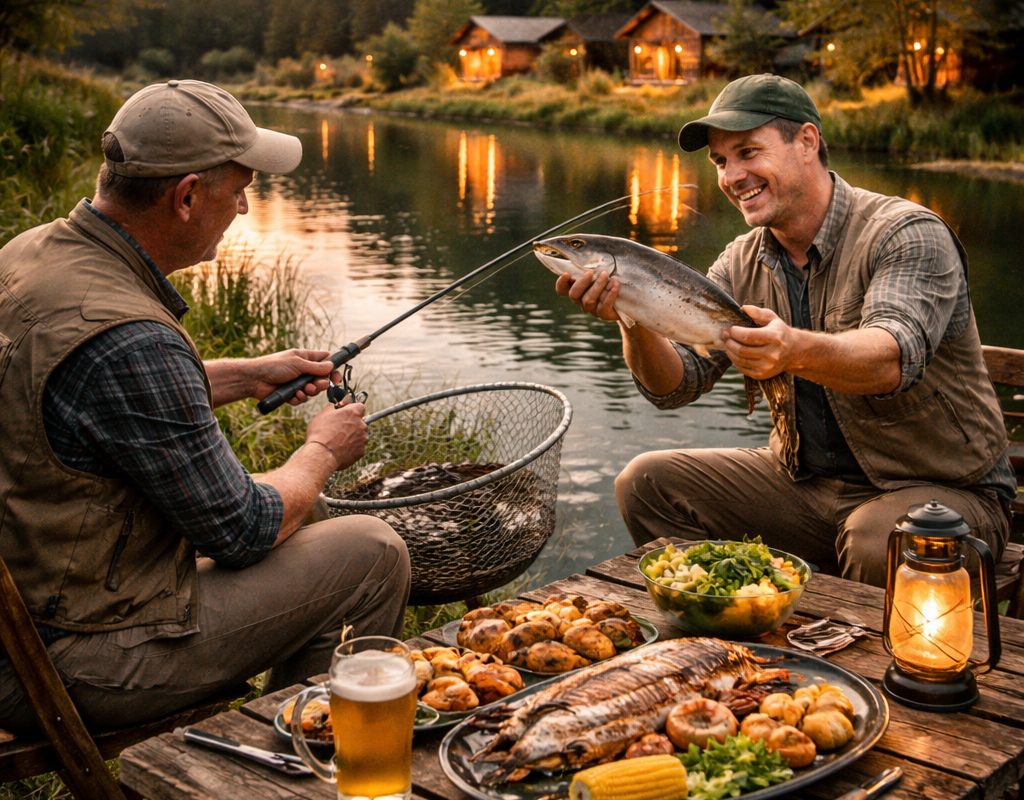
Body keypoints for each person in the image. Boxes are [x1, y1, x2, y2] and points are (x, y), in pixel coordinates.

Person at [0, 80, 410, 734]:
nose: (244, 207)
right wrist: (322, 450)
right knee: (372, 552)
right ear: (187, 196)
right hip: (61, 660)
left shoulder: (32, 253)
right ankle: (291, 760)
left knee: (309, 511)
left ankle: (281, 734)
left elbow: (90, 395)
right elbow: (242, 531)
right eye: (239, 189)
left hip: (32, 605)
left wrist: (250, 374)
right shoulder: (133, 341)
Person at [556, 74, 1013, 587]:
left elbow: (891, 358)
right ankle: (727, 623)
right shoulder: (740, 260)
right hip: (804, 485)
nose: (732, 176)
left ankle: (838, 639)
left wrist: (791, 349)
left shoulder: (907, 233)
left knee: (876, 539)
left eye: (748, 152)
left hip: (944, 493)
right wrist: (632, 316)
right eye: (720, 162)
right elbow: (676, 386)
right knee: (645, 483)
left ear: (808, 141)